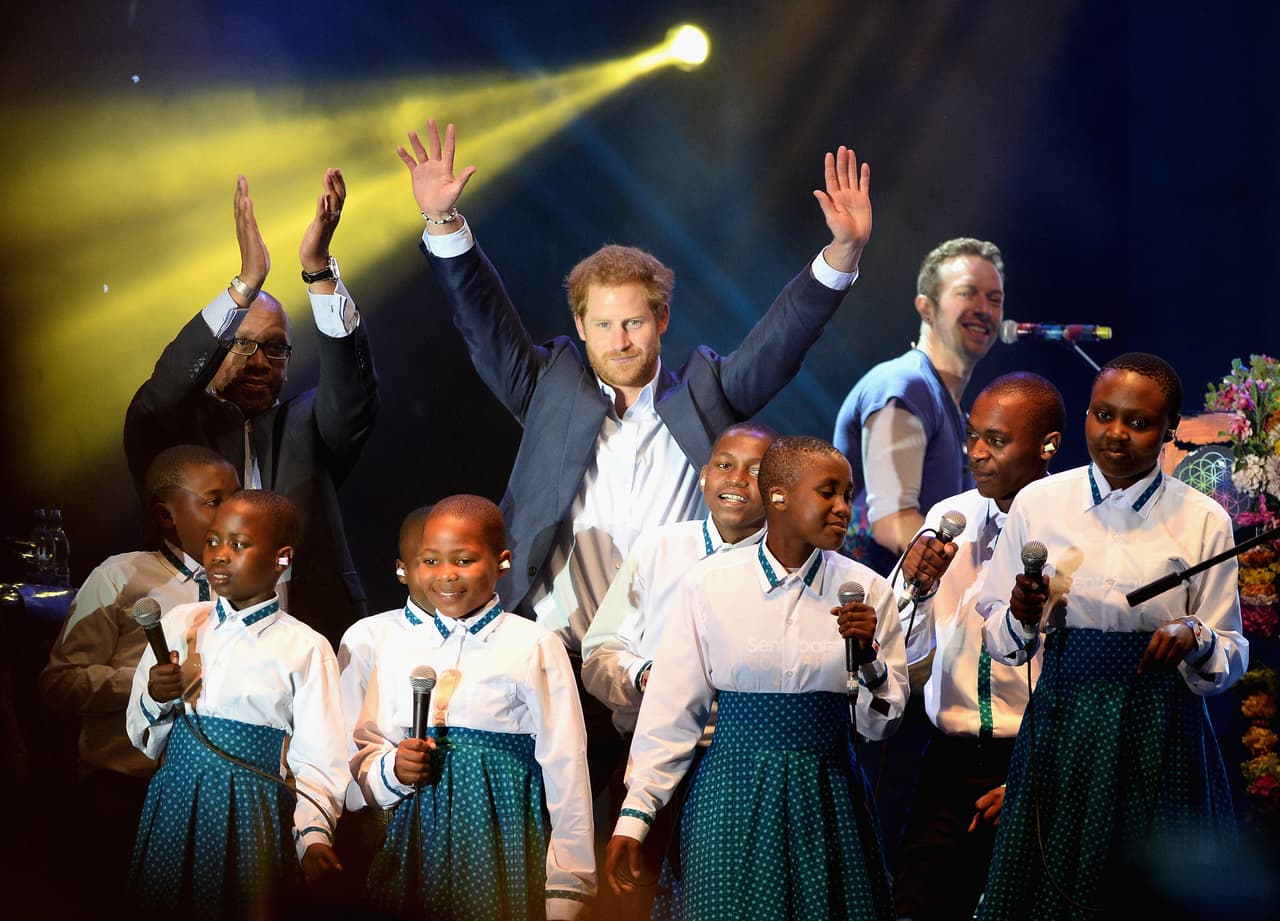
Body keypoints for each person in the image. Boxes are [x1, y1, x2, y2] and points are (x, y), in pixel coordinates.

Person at [399, 117, 871, 794]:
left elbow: (780, 340)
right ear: (581, 328)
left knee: (656, 852)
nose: (620, 339)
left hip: (668, 660)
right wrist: (443, 222)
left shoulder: (706, 393)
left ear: (662, 322)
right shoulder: (548, 388)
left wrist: (842, 253)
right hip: (551, 652)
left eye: (635, 321)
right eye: (603, 324)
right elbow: (483, 322)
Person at [975, 353, 1248, 918]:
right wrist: (1022, 614)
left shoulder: (1202, 519)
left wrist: (1195, 635)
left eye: (1139, 422)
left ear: (1170, 431)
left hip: (1159, 728)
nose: (1116, 434)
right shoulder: (1041, 503)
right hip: (1063, 723)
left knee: (1150, 893)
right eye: (1103, 415)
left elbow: (1230, 649)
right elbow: (1002, 637)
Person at [606, 436, 907, 920]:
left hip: (827, 796)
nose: (842, 508)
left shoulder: (868, 590)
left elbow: (880, 725)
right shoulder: (710, 584)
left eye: (848, 495)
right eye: (828, 492)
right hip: (731, 794)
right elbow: (672, 712)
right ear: (779, 496)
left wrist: (868, 656)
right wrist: (635, 816)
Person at [124, 169, 379, 649]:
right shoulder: (180, 429)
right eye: (243, 345)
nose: (259, 362)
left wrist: (320, 271)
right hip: (194, 640)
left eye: (276, 348)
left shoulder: (307, 425)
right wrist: (244, 284)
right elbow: (159, 397)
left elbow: (355, 394)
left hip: (309, 637)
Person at [352, 495, 594, 920]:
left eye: (463, 560)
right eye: (431, 561)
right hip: (418, 838)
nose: (445, 575)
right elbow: (368, 746)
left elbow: (565, 763)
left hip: (500, 835)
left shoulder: (533, 644)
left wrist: (568, 882)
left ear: (501, 562)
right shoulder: (397, 647)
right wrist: (394, 768)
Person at [887, 373, 1065, 921]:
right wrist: (915, 586)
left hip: (1036, 763)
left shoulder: (1073, 530)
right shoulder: (949, 519)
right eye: (971, 436)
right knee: (917, 904)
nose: (976, 453)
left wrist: (1035, 772)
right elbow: (898, 648)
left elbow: (1084, 671)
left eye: (996, 439)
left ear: (1047, 446)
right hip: (948, 760)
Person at [581, 421, 775, 920]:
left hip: (739, 765)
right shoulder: (660, 548)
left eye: (756, 471)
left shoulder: (792, 563)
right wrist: (646, 677)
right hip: (647, 753)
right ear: (705, 475)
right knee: (633, 896)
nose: (737, 479)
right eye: (726, 466)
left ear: (779, 488)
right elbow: (601, 651)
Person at [126, 489, 348, 918]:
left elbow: (321, 758)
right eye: (212, 541)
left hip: (253, 811)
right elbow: (143, 739)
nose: (220, 555)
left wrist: (314, 836)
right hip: (176, 797)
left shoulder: (305, 647)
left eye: (239, 545)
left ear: (281, 558)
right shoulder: (179, 624)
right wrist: (157, 697)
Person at [38, 444, 240, 908]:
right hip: (126, 792)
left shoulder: (252, 587)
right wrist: (141, 684)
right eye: (214, 501)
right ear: (166, 515)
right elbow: (59, 683)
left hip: (212, 797)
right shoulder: (121, 576)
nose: (232, 511)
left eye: (237, 497)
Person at [834, 238, 1005, 576]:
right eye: (967, 293)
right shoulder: (903, 385)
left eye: (995, 298)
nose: (984, 309)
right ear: (926, 307)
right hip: (873, 607)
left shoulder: (953, 409)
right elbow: (891, 522)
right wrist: (978, 580)